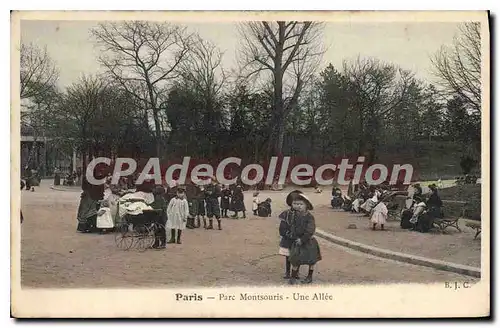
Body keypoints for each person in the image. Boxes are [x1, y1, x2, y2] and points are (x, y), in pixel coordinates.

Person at [287, 193, 322, 285]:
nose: (299, 206)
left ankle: (309, 276)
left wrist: (302, 239)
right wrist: (291, 235)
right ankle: (293, 277)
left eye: (301, 204)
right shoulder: (295, 215)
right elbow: (292, 227)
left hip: (308, 241)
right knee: (295, 259)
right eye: (297, 204)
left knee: (311, 260)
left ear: (307, 206)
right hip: (297, 241)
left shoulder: (309, 217)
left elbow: (310, 230)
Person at [278, 190, 303, 279]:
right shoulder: (286, 214)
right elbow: (282, 227)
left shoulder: (304, 214)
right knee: (288, 257)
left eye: (300, 203)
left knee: (298, 256)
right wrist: (287, 234)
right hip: (288, 238)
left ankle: (296, 272)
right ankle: (288, 272)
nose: (297, 206)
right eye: (295, 203)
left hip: (298, 239)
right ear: (290, 203)